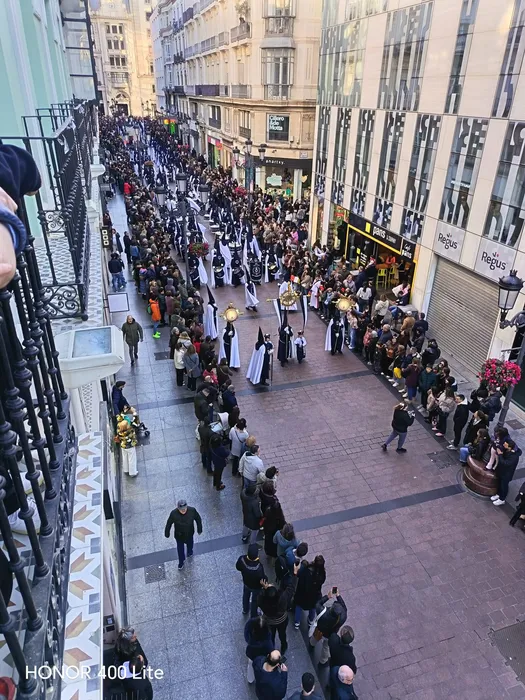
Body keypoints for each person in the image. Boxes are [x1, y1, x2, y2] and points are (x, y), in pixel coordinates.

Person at [258, 563, 300, 655]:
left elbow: (259, 599)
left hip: (269, 621)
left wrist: (264, 589)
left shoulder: (263, 601)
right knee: (282, 634)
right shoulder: (282, 598)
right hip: (282, 620)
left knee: (271, 635)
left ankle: (271, 648)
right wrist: (295, 573)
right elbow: (292, 588)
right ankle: (284, 647)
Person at [309, 586, 347, 667]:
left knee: (315, 637)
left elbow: (318, 604)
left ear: (331, 609)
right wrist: (338, 596)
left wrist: (328, 597)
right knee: (326, 647)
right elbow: (344, 608)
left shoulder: (323, 612)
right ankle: (323, 661)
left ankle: (311, 644)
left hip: (319, 630)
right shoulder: (342, 618)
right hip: (330, 635)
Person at [164, 499, 203, 569]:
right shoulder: (173, 513)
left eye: (184, 508)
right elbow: (169, 523)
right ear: (178, 508)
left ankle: (189, 552)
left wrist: (199, 529)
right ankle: (181, 562)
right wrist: (167, 533)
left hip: (189, 533)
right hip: (179, 536)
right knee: (180, 550)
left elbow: (198, 519)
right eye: (181, 509)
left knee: (190, 544)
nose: (183, 510)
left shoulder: (192, 510)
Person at [294, 554, 326, 630]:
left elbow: (300, 576)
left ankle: (297, 622)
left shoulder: (307, 570)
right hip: (314, 596)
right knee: (313, 608)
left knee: (299, 606)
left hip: (302, 593)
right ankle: (311, 621)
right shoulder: (322, 574)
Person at [236, 543, 267, 617]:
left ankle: (245, 609)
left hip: (246, 583)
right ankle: (253, 615)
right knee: (254, 600)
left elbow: (238, 567)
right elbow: (263, 578)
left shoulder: (242, 559)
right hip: (256, 587)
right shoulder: (258, 567)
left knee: (245, 596)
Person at [492, 438, 522, 506]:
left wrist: (500, 454)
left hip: (507, 474)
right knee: (500, 484)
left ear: (510, 447)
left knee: (504, 486)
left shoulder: (514, 457)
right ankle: (498, 494)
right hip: (502, 471)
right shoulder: (507, 450)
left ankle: (502, 499)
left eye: (505, 445)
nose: (503, 445)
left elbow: (505, 463)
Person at [245, 617, 273, 685]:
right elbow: (271, 649)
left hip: (252, 655)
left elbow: (246, 630)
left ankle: (250, 679)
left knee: (250, 666)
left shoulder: (251, 639)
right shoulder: (267, 640)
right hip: (263, 657)